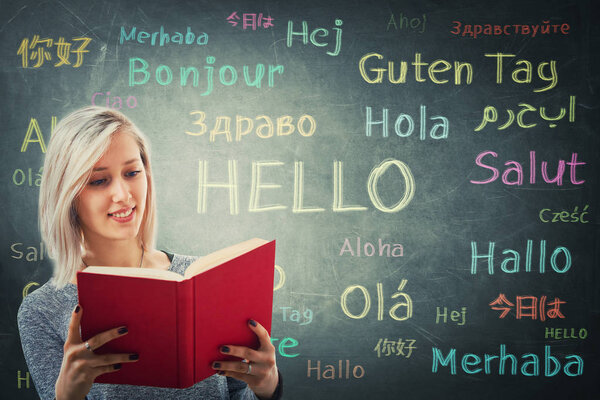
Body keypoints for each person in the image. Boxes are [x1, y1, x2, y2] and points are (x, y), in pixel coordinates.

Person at [17, 106, 282, 400]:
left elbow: (235, 394)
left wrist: (266, 387)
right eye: (99, 180)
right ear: (68, 194)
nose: (123, 194)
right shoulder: (43, 310)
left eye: (132, 173)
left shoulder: (203, 280)